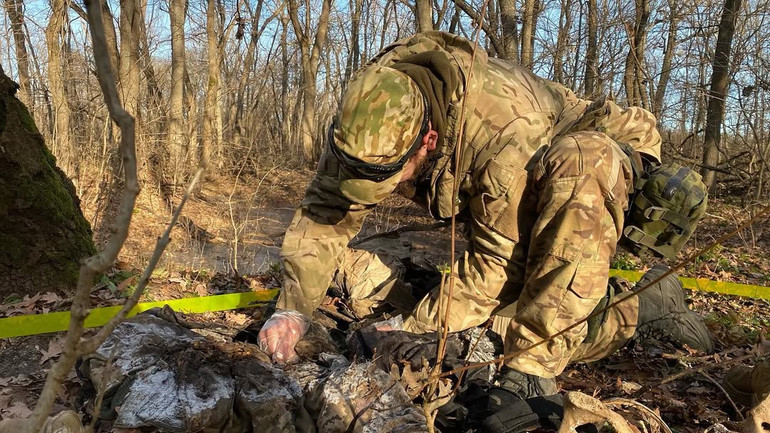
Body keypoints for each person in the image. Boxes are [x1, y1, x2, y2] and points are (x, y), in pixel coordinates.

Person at [258, 31, 712, 401]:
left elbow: (499, 262)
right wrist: (291, 311)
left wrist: (410, 328)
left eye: (391, 178)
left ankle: (637, 310)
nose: (383, 192)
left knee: (504, 330)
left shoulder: (504, 131)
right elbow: (325, 213)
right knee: (390, 290)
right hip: (505, 194)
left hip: (588, 177)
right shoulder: (369, 115)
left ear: (429, 141)